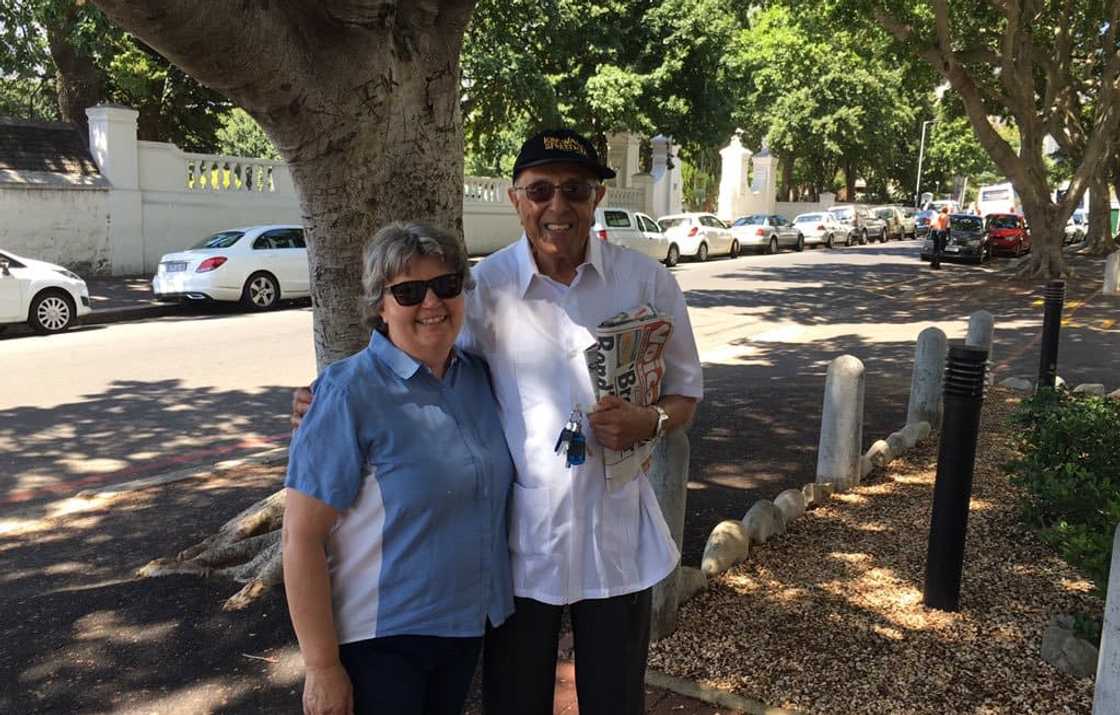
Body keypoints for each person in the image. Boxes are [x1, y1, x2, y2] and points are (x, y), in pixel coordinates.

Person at [293, 128, 703, 714]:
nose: (557, 207)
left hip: (618, 537)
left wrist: (652, 421)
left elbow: (687, 393)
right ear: (516, 199)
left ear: (597, 197)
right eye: (540, 190)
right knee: (513, 704)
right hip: (518, 551)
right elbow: (422, 358)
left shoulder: (648, 283)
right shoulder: (481, 290)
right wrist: (329, 399)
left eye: (575, 190)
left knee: (616, 703)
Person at [283, 222, 515, 715]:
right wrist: (322, 668)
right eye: (408, 291)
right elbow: (300, 538)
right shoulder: (347, 394)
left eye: (446, 286)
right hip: (382, 642)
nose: (431, 303)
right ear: (380, 307)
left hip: (462, 628)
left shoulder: (476, 378)